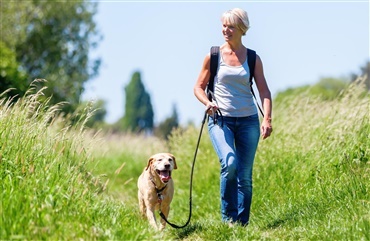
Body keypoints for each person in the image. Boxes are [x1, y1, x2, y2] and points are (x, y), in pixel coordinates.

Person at [193, 8, 273, 226]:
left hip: (248, 121)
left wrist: (267, 118)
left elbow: (264, 91)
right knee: (229, 164)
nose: (225, 30)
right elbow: (198, 87)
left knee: (244, 177)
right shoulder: (214, 55)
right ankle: (228, 220)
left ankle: (241, 225)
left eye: (230, 26)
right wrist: (207, 103)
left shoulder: (253, 58)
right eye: (224, 26)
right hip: (221, 120)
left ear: (241, 29)